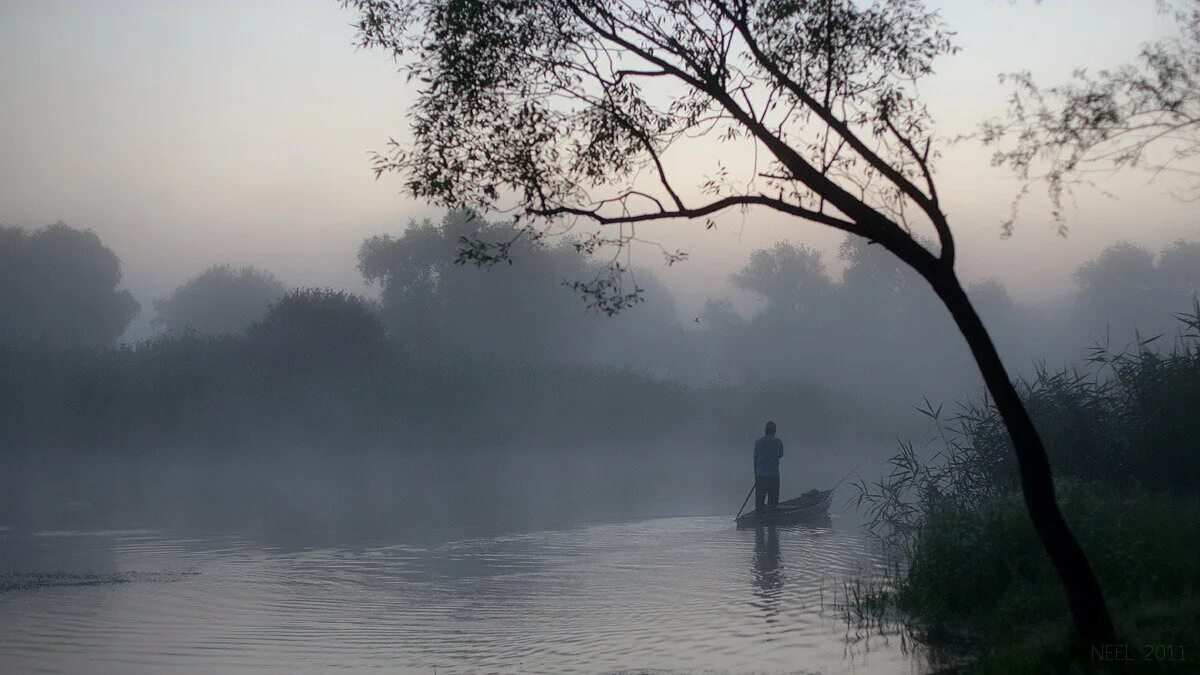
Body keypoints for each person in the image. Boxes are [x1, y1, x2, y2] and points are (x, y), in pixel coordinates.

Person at [753, 421, 784, 513]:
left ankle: (759, 520)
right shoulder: (778, 442)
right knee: (772, 503)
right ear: (774, 431)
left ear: (765, 430)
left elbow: (755, 460)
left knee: (759, 503)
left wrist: (756, 476)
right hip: (773, 476)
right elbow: (780, 455)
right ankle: (771, 522)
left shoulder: (758, 442)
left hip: (760, 476)